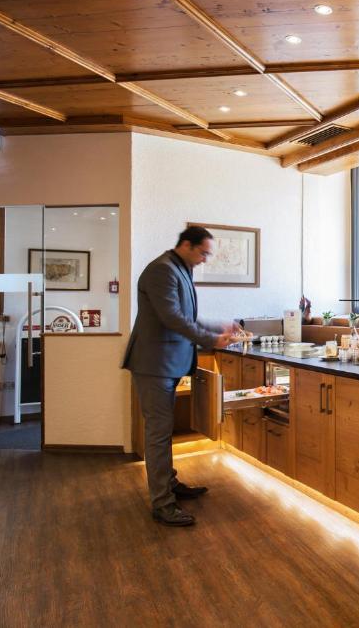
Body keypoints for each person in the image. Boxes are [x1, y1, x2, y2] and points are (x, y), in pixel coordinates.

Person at [123, 226, 238, 527]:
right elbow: (172, 318)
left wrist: (222, 325)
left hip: (167, 363)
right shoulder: (162, 270)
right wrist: (211, 340)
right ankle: (162, 504)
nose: (205, 259)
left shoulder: (179, 268)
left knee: (163, 431)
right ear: (186, 244)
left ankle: (169, 484)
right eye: (203, 253)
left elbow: (188, 317)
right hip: (154, 364)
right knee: (159, 433)